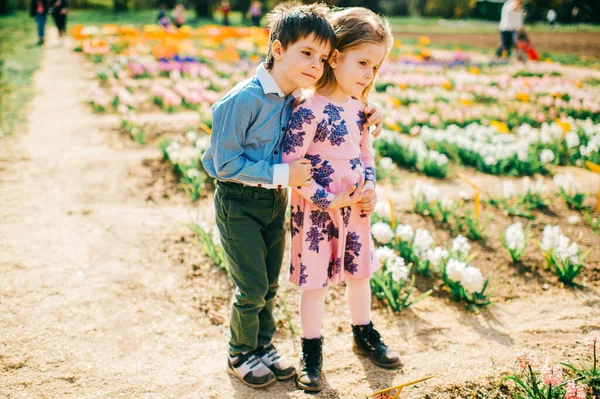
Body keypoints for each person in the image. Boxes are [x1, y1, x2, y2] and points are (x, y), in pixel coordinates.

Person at [281, 6, 398, 393]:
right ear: (335, 57)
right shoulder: (308, 108)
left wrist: (371, 188)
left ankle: (363, 332)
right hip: (317, 211)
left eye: (375, 68)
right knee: (313, 282)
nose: (369, 74)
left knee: (359, 273)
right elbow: (291, 164)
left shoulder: (361, 110)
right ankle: (311, 352)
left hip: (354, 210)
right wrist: (324, 199)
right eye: (363, 62)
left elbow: (365, 154)